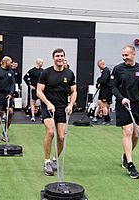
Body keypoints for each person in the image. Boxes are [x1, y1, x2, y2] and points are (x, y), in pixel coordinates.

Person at [111, 45, 139, 179]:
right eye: (123, 55)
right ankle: (130, 163)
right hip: (123, 104)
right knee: (127, 131)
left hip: (138, 105)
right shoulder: (118, 69)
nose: (124, 58)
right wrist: (121, 98)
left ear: (133, 54)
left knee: (136, 135)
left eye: (126, 55)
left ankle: (126, 154)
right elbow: (113, 87)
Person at [37, 48, 77, 176]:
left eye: (61, 56)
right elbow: (39, 91)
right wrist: (48, 103)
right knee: (50, 131)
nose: (59, 58)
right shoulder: (46, 73)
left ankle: (55, 159)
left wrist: (70, 105)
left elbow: (74, 91)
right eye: (57, 56)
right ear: (53, 58)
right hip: (48, 106)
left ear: (64, 58)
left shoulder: (69, 73)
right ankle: (47, 161)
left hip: (62, 107)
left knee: (61, 136)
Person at [93, 59, 113, 123]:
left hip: (106, 91)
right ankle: (108, 118)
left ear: (102, 64)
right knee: (106, 106)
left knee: (104, 105)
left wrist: (99, 80)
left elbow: (104, 80)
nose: (99, 68)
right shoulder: (104, 71)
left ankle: (106, 120)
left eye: (99, 66)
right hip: (105, 90)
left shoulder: (106, 71)